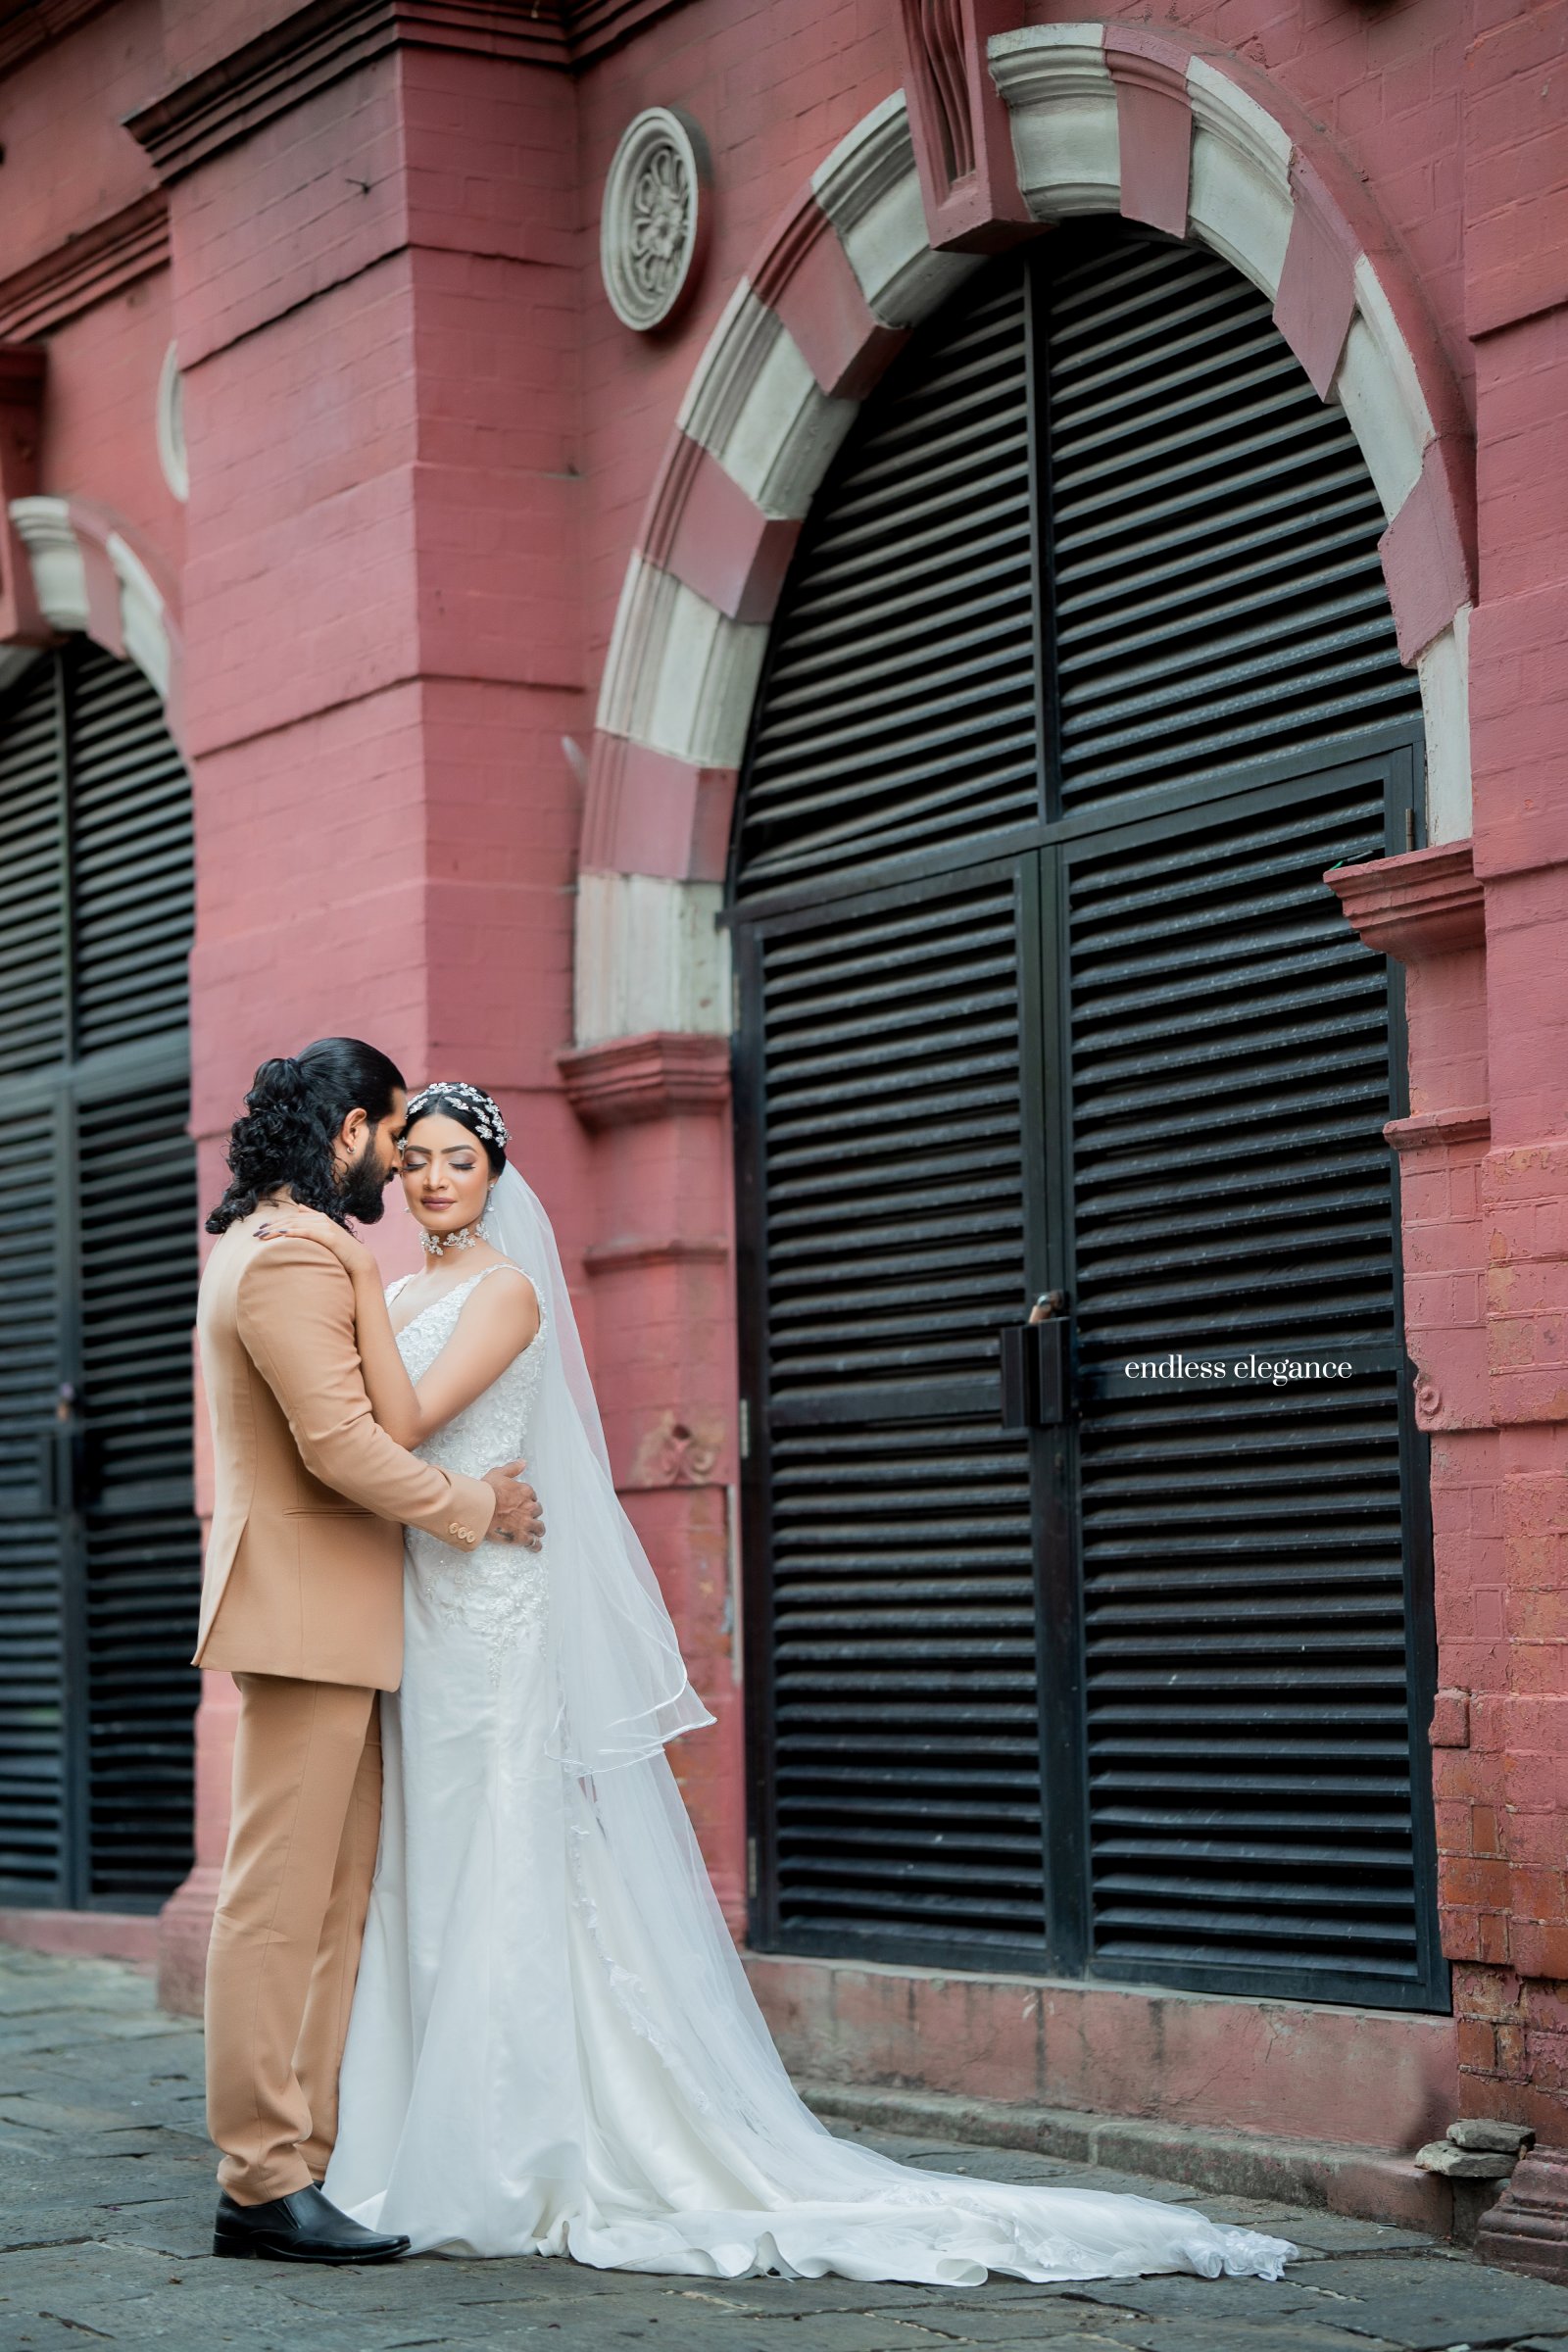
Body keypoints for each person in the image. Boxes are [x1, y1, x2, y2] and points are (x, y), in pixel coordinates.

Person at [268, 1078, 1297, 2289]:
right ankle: (402, 2126)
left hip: (496, 1606)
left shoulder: (504, 1291)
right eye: (419, 1161)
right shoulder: (394, 1289)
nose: (435, 1179)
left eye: (459, 1160)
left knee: (500, 1838)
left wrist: (333, 1326)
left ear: (498, 1175)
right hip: (426, 1603)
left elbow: (401, 1419)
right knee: (426, 1855)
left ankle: (507, 2137)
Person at [196, 1041, 545, 2267]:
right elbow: (343, 1446)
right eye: (395, 1141)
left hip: (336, 1614)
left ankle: (307, 2158)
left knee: (333, 1904)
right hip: (303, 1611)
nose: (401, 1171)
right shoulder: (293, 1254)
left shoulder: (293, 1243)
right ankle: (257, 2177)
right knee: (277, 1907)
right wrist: (474, 1508)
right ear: (348, 1128)